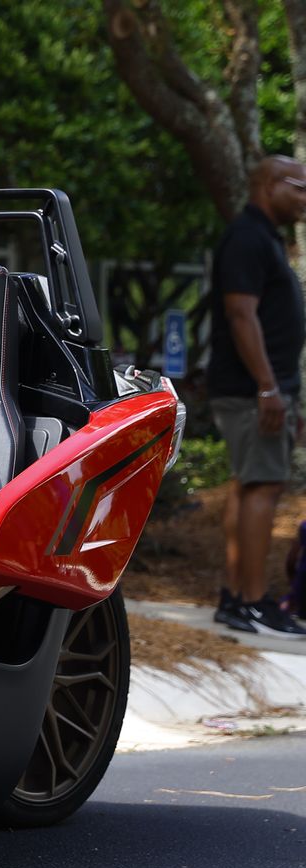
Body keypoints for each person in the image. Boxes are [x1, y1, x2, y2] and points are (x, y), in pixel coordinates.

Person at [209, 156, 306, 635]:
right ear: (269, 184)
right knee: (262, 488)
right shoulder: (247, 237)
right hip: (253, 391)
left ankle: (236, 599)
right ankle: (252, 603)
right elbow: (240, 315)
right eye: (300, 188)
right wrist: (269, 388)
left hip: (264, 391)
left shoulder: (264, 237)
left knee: (248, 485)